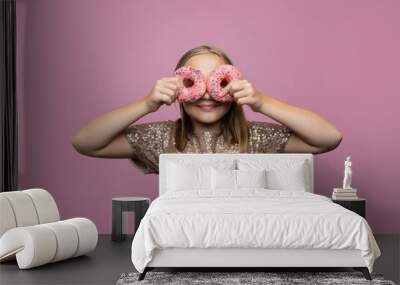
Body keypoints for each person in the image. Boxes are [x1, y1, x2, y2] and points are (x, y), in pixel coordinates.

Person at [72, 45, 342, 174]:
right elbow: (85, 143)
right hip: (180, 243)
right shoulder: (162, 139)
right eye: (194, 81)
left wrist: (262, 102)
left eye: (217, 80)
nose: (205, 94)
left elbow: (328, 138)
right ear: (179, 90)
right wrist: (146, 104)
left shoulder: (257, 138)